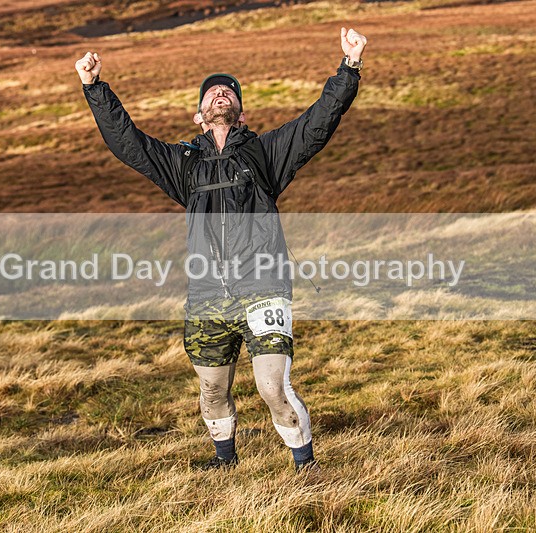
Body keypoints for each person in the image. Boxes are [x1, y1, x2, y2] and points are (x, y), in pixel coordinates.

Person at [76, 27, 365, 471]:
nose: (219, 96)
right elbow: (127, 143)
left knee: (272, 387)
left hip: (263, 284)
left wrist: (349, 66)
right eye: (211, 94)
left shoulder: (266, 154)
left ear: (241, 113)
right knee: (212, 390)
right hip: (207, 293)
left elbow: (318, 121)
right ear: (198, 115)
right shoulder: (181, 165)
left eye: (227, 93)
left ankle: (307, 469)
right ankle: (224, 460)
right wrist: (94, 88)